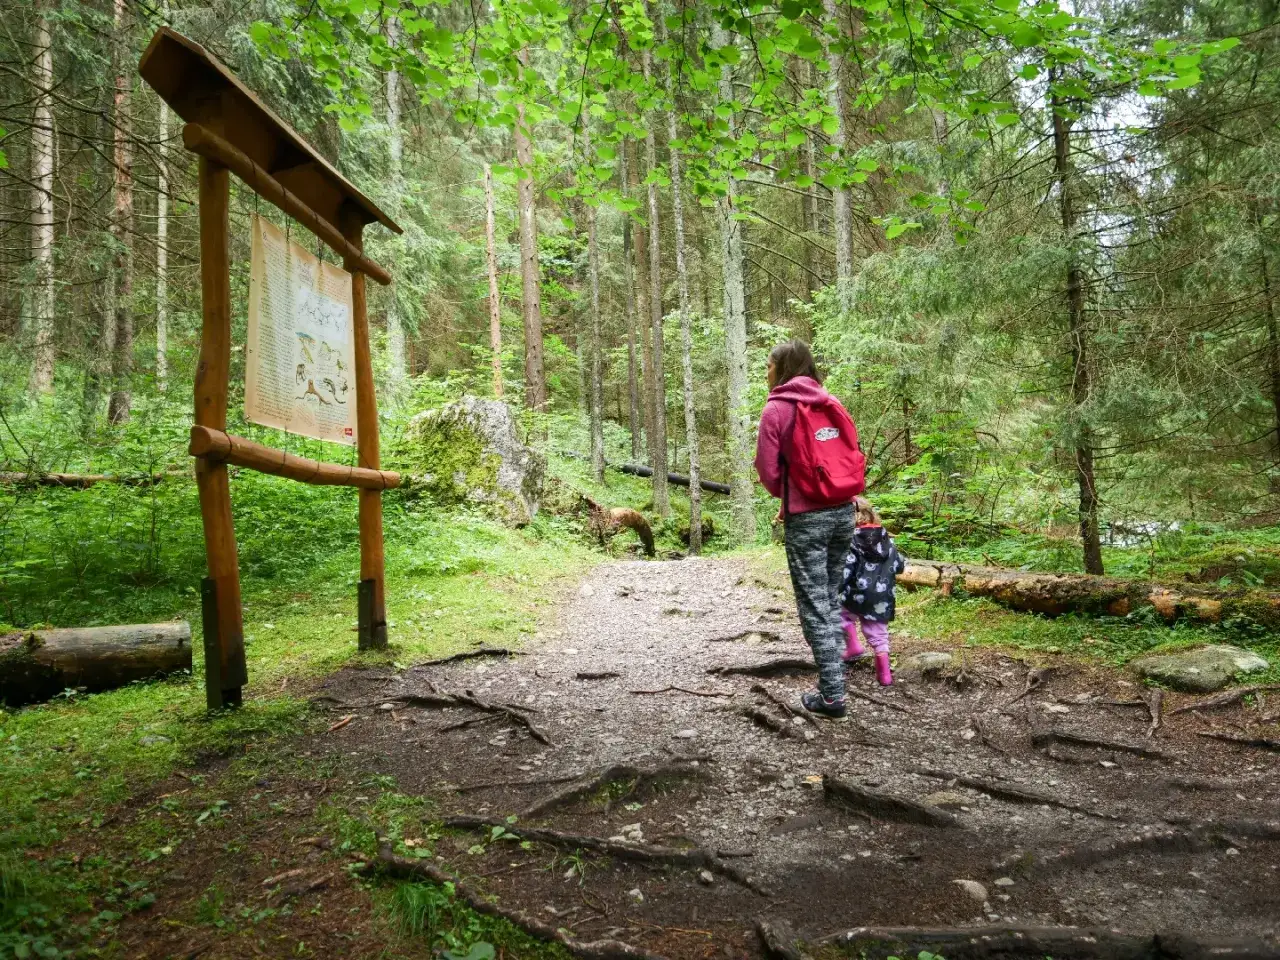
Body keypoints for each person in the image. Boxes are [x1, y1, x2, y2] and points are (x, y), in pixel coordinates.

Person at [754, 340, 865, 720]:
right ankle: (834, 679)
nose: (765, 373)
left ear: (782, 368)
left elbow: (769, 473)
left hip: (807, 519)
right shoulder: (828, 400)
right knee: (830, 598)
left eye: (768, 366)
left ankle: (832, 694)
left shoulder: (776, 409)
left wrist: (791, 494)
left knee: (814, 605)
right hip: (842, 513)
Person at [839, 496, 904, 686]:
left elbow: (847, 569)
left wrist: (836, 587)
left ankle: (853, 647)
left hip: (855, 594)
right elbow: (899, 566)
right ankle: (884, 677)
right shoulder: (888, 542)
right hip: (882, 598)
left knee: (840, 616)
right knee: (879, 635)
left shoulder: (851, 540)